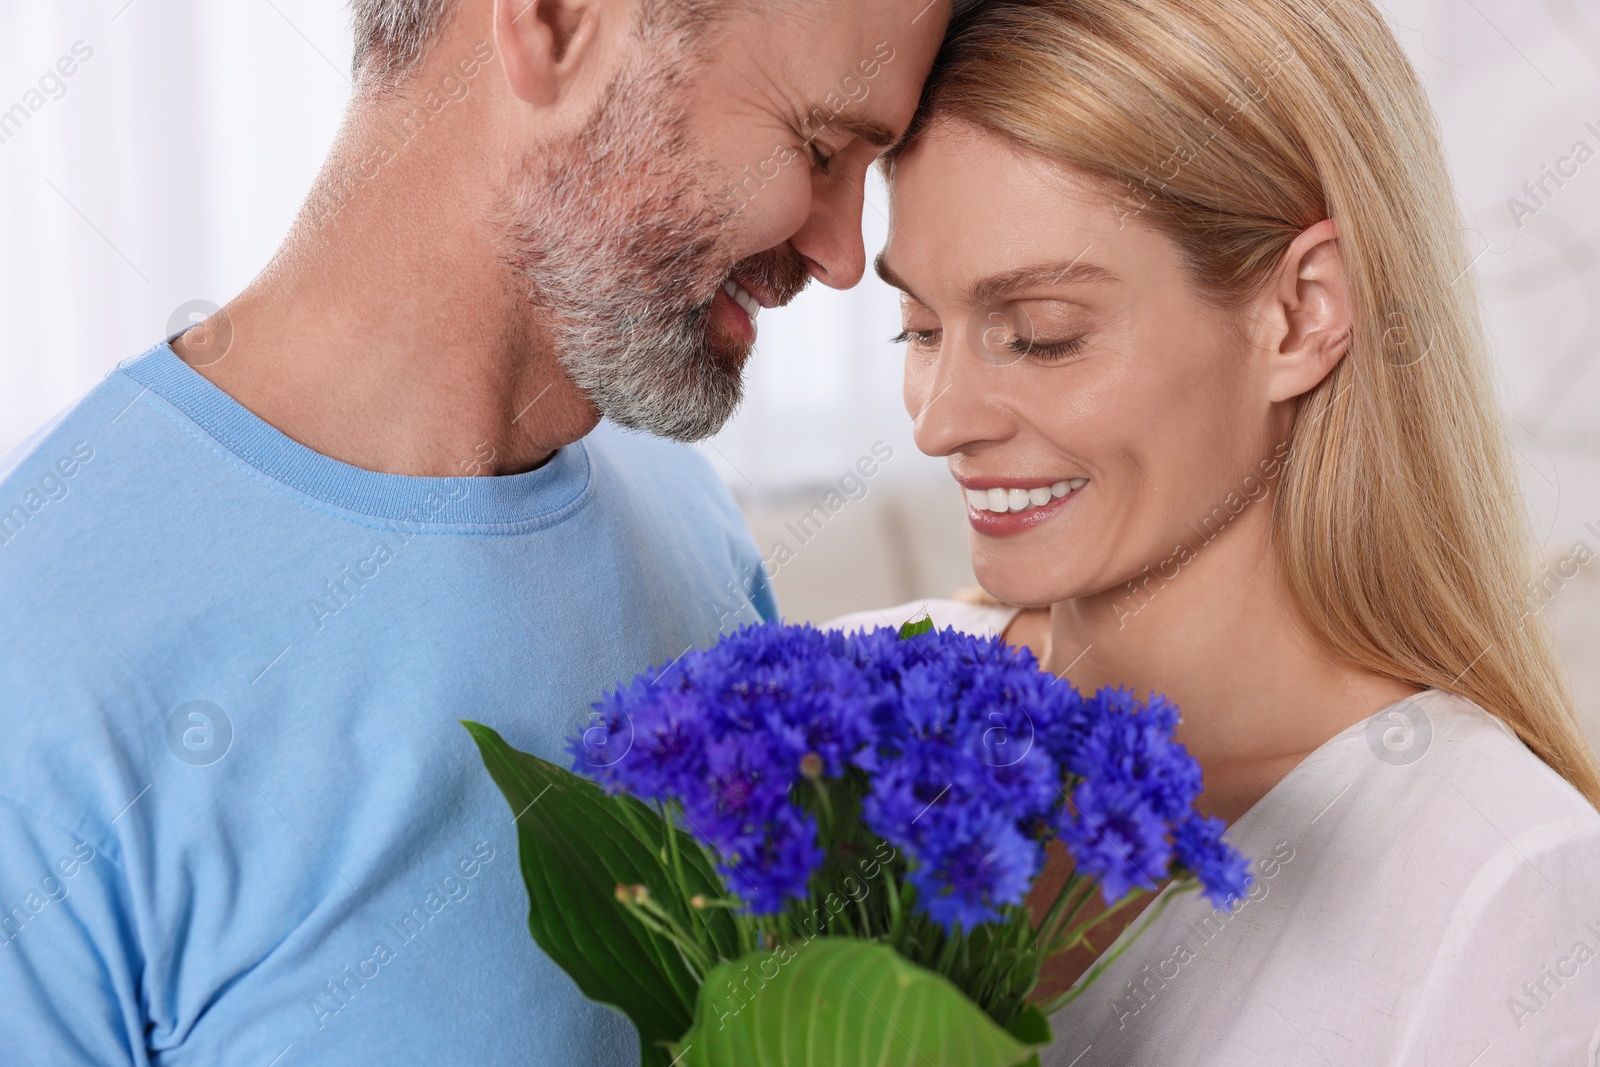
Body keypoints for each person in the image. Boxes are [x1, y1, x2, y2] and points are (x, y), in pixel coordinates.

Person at [0, 0, 950, 1062]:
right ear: (553, 25)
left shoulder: (687, 522)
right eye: (820, 148)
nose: (841, 253)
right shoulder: (37, 675)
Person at [831, 0, 1600, 1061]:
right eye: (918, 327)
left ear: (1301, 313)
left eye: (1040, 336)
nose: (939, 419)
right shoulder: (840, 718)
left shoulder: (1500, 878)